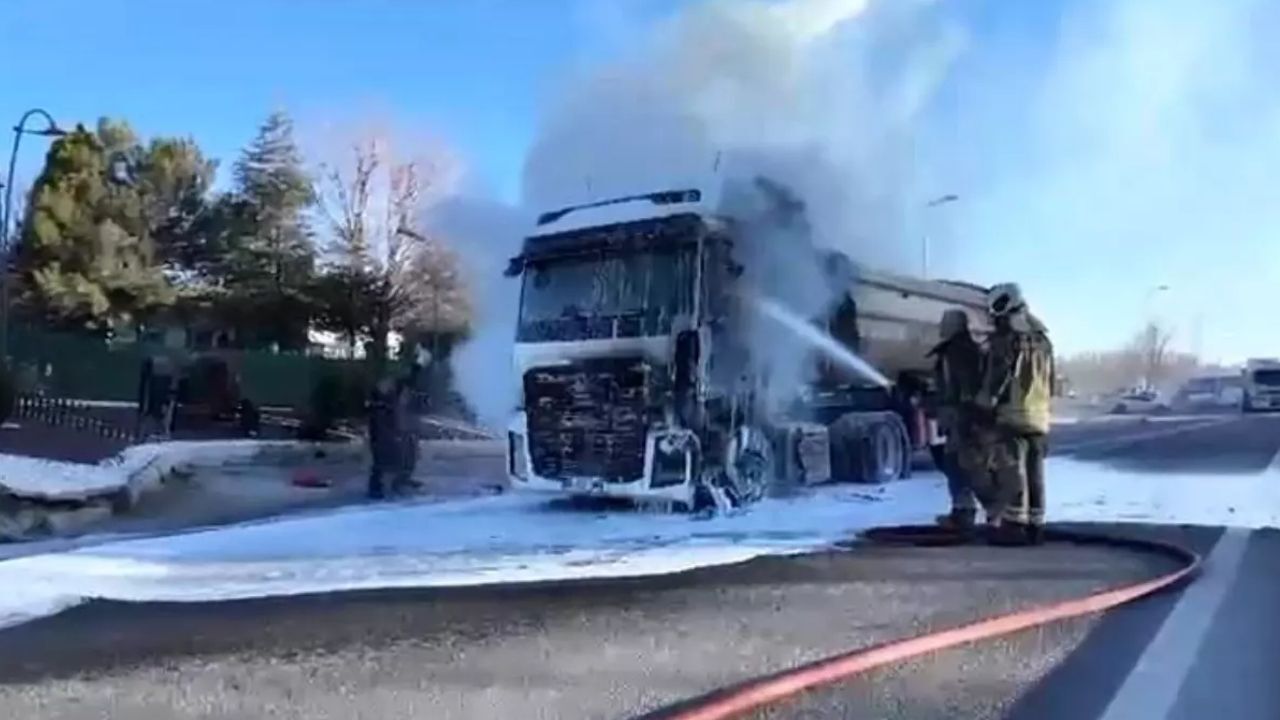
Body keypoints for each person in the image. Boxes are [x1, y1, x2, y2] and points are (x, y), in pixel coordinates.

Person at [976, 283, 1054, 546]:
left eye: (995, 309)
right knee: (1035, 473)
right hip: (1039, 417)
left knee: (1012, 472)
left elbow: (997, 378)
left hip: (1012, 416)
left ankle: (1013, 528)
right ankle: (1036, 527)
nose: (993, 315)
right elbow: (1050, 380)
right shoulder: (1044, 339)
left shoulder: (1006, 340)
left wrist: (984, 404)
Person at [928, 309, 992, 531]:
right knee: (959, 465)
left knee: (962, 466)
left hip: (962, 419)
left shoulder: (956, 353)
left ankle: (985, 513)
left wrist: (960, 418)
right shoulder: (968, 350)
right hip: (964, 418)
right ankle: (966, 511)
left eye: (944, 323)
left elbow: (963, 390)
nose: (941, 327)